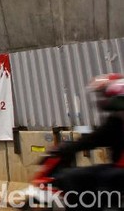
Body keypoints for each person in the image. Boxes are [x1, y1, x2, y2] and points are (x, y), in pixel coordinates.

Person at [50, 73, 124, 208]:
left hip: (119, 172)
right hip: (118, 169)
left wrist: (66, 148)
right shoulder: (116, 120)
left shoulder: (117, 121)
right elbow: (98, 139)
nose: (101, 99)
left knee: (72, 177)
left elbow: (94, 140)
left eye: (103, 94)